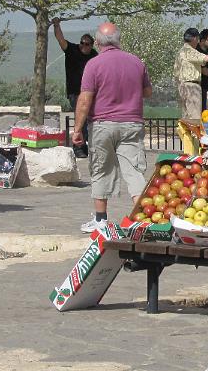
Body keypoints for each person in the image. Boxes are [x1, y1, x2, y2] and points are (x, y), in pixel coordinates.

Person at [71, 22, 153, 233]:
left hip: (102, 124)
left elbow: (85, 99)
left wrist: (78, 129)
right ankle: (144, 217)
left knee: (100, 169)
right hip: (132, 123)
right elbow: (147, 92)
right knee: (134, 171)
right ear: (118, 40)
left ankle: (100, 220)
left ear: (97, 42)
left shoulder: (93, 64)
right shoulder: (136, 62)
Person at [52, 19, 98, 157]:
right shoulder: (72, 49)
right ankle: (78, 147)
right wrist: (56, 25)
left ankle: (86, 146)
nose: (84, 46)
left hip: (90, 92)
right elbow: (60, 39)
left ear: (91, 45)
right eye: (82, 43)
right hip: (75, 92)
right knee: (81, 120)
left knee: (90, 120)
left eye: (87, 44)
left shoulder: (94, 55)